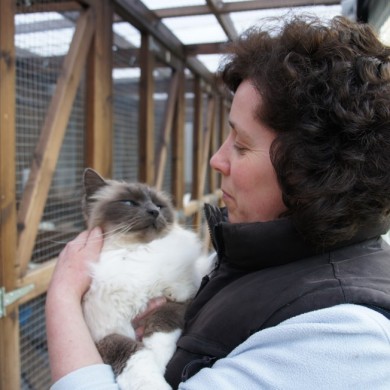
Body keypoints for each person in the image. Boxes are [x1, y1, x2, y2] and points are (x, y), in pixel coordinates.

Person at [46, 15, 390, 389]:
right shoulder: (257, 255)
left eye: (241, 145)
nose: (216, 160)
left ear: (312, 169)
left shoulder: (343, 337)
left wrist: (63, 299)